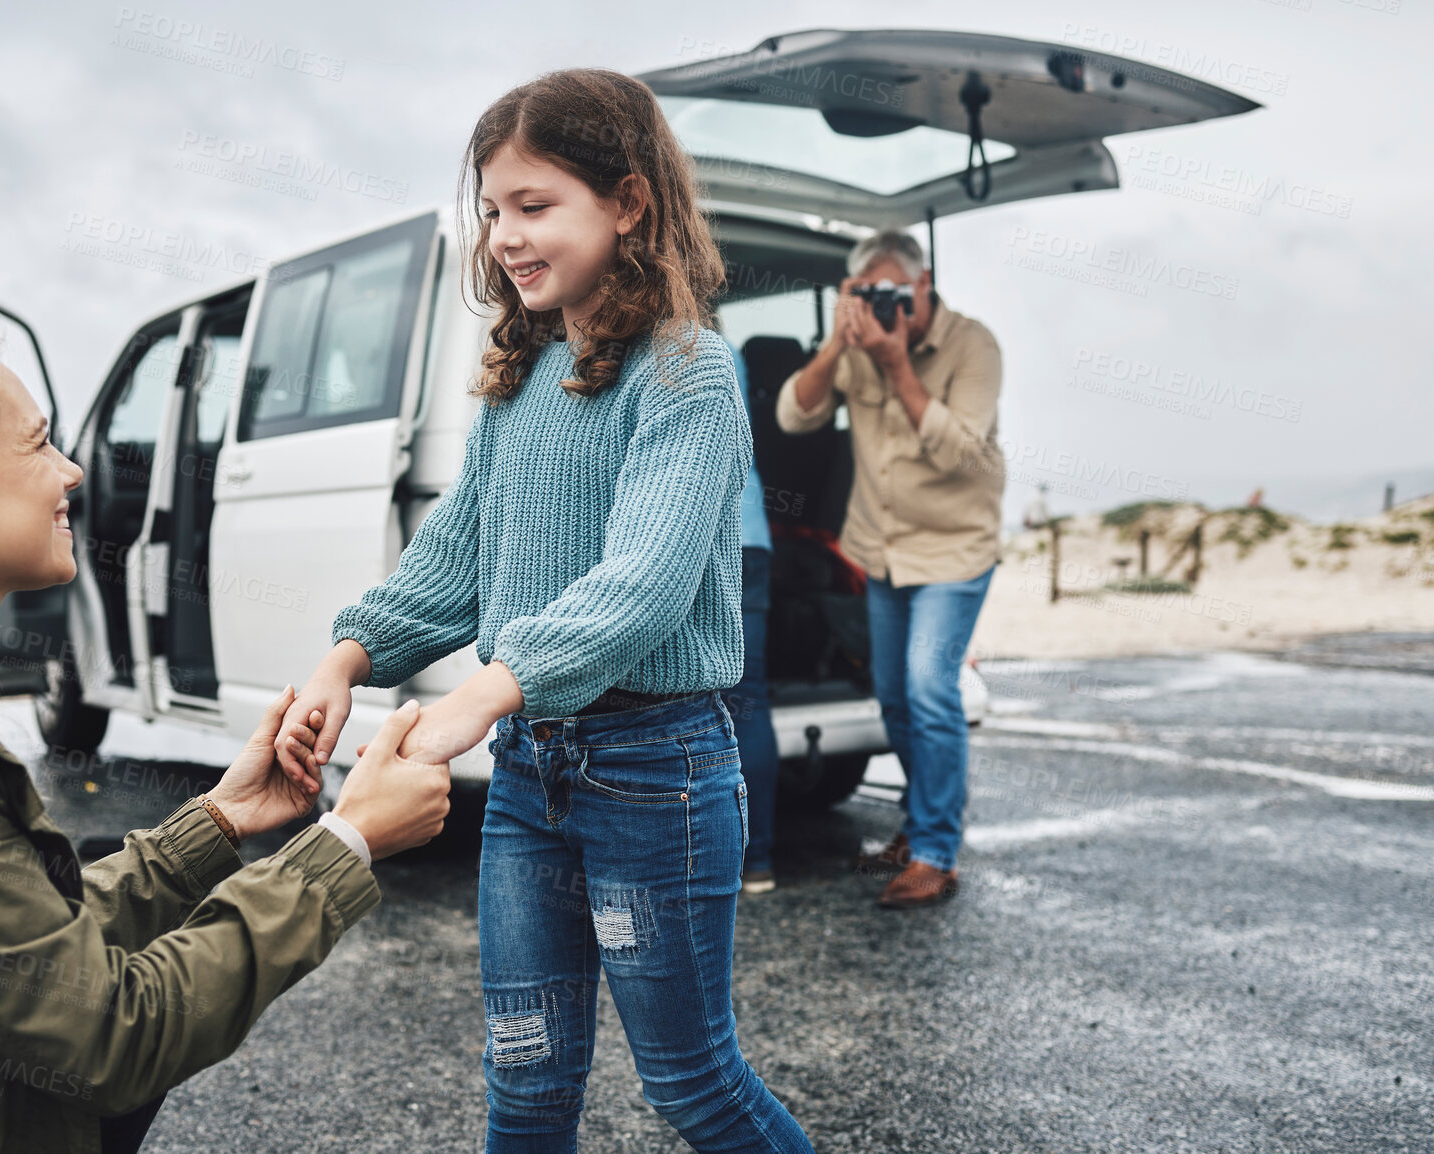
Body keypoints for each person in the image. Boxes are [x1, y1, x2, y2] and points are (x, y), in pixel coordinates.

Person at [0, 330, 452, 1154]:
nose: (71, 471)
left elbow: (22, 948)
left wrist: (215, 821)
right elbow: (107, 1037)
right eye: (37, 444)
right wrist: (345, 845)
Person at [275, 70, 814, 1153]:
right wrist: (347, 655)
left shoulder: (689, 374)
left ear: (627, 202)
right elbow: (457, 554)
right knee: (522, 1082)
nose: (507, 235)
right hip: (530, 776)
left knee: (691, 1082)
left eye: (534, 205)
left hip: (657, 773)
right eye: (491, 210)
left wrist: (482, 688)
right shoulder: (519, 382)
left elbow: (644, 580)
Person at [775, 229, 1005, 910]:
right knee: (895, 697)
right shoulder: (857, 346)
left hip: (953, 551)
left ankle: (936, 852)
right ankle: (920, 827)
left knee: (932, 691)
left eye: (890, 294)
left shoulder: (973, 346)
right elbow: (793, 416)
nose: (879, 305)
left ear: (922, 287)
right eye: (865, 293)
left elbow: (961, 455)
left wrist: (898, 364)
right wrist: (838, 344)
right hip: (879, 549)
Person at [724, 340, 779, 894]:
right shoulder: (728, 350)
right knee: (750, 699)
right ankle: (756, 860)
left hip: (700, 541)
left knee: (688, 706)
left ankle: (710, 856)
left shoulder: (648, 348)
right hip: (753, 537)